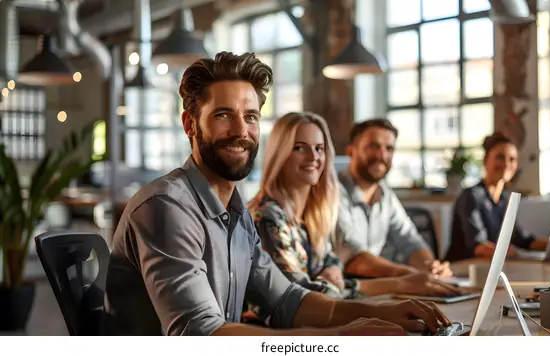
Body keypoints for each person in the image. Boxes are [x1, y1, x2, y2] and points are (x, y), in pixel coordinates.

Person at [103, 51, 450, 336]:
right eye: (223, 115)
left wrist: (382, 313)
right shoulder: (167, 207)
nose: (241, 131)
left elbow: (285, 300)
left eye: (251, 117)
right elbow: (200, 334)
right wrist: (338, 339)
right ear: (190, 124)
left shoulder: (237, 215)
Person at [248, 112, 460, 301]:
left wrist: (430, 270)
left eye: (319, 148)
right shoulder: (270, 215)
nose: (313, 157)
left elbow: (409, 241)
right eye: (299, 148)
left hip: (333, 309)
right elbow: (304, 297)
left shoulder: (313, 213)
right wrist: (405, 280)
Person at [334, 119, 453, 279]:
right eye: (373, 146)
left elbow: (409, 239)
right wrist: (408, 274)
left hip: (377, 287)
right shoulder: (333, 192)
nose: (382, 155)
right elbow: (354, 257)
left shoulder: (385, 195)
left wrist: (430, 267)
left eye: (389, 148)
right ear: (350, 151)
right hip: (343, 288)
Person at [446, 133, 549, 262]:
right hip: (463, 270)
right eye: (500, 157)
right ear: (485, 161)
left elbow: (521, 239)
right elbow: (479, 246)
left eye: (512, 159)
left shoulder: (504, 199)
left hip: (489, 268)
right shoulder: (471, 196)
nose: (506, 164)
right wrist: (518, 254)